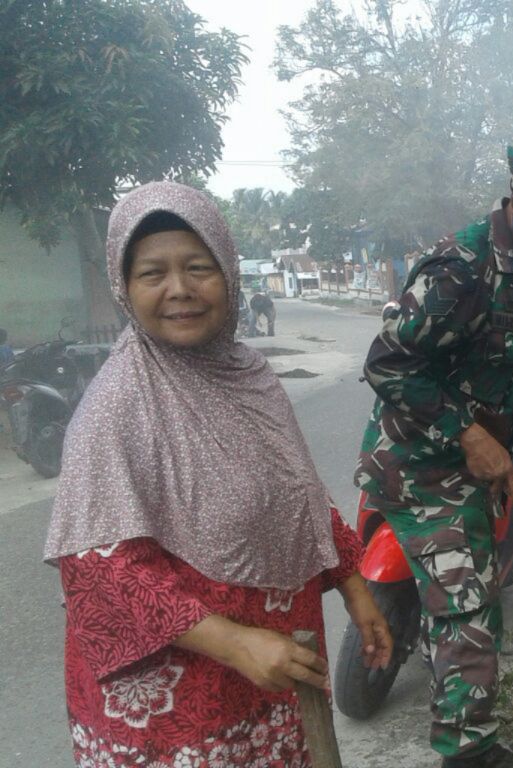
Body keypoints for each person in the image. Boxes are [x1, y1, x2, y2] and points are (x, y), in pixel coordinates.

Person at [43, 181, 392, 767]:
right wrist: (234, 644)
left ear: (228, 274)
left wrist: (356, 589)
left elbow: (297, 493)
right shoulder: (116, 407)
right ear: (125, 288)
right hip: (182, 708)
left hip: (275, 673)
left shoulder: (248, 374)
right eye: (152, 273)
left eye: (198, 267)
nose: (179, 289)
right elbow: (98, 570)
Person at [355, 133, 513, 768]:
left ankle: (466, 737)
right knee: (465, 607)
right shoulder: (461, 267)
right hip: (422, 464)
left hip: (471, 459)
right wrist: (468, 434)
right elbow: (386, 363)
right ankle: (469, 755)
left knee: (474, 598)